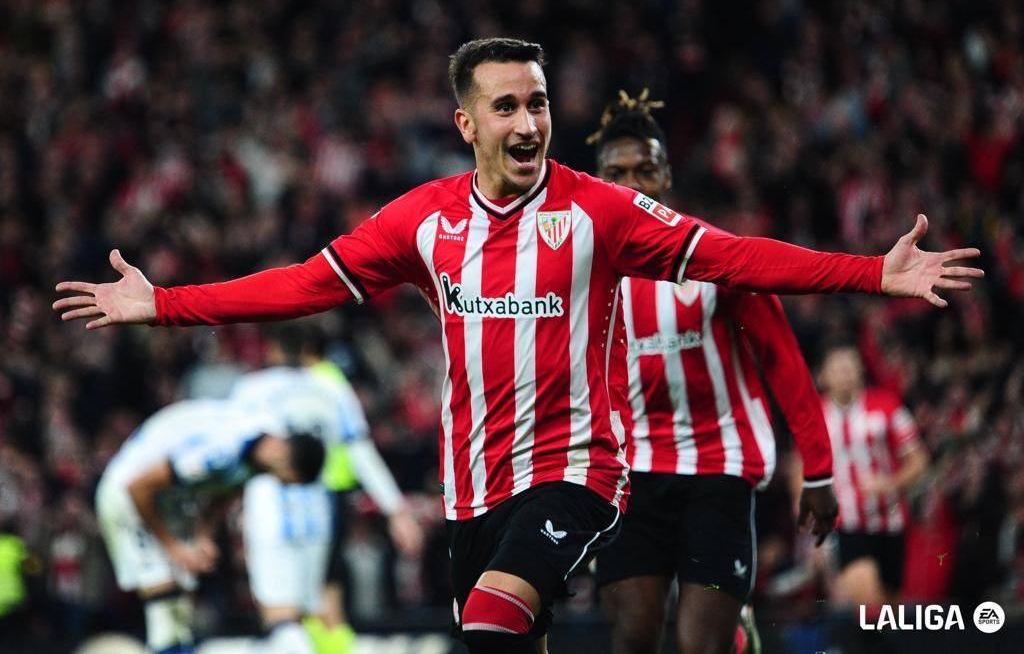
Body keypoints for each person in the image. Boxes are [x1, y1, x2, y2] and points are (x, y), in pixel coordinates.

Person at [55, 38, 982, 654]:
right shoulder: (420, 223)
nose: (528, 123)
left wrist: (873, 272)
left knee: (500, 619)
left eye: (537, 103)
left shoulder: (601, 212)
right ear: (468, 125)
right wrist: (164, 304)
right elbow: (298, 286)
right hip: (473, 484)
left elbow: (739, 258)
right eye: (505, 107)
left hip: (585, 466)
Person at [589, 90, 838, 654]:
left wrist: (818, 470)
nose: (631, 183)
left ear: (666, 175)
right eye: (616, 172)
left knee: (699, 647)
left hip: (717, 466)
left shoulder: (713, 255)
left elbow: (781, 357)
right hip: (627, 474)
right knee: (632, 639)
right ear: (597, 181)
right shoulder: (580, 270)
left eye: (645, 169)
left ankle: (733, 635)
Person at [229, 320, 423, 654]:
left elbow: (234, 456)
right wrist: (396, 510)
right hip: (319, 514)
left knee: (280, 618)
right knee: (314, 612)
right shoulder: (330, 388)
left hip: (270, 512)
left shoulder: (252, 389)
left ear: (272, 348)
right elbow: (361, 451)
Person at [95, 398, 325, 654]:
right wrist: (172, 547)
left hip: (168, 499)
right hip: (127, 495)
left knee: (180, 605)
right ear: (282, 457)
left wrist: (203, 533)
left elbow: (230, 487)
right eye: (285, 479)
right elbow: (138, 487)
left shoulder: (263, 444)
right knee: (165, 598)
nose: (280, 484)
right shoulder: (218, 452)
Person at [817, 344, 929, 606]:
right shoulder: (814, 416)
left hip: (891, 521)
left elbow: (920, 460)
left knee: (890, 609)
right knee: (868, 604)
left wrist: (890, 484)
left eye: (850, 365)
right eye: (837, 367)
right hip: (847, 523)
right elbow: (799, 463)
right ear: (823, 376)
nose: (844, 372)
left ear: (860, 370)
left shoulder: (888, 406)